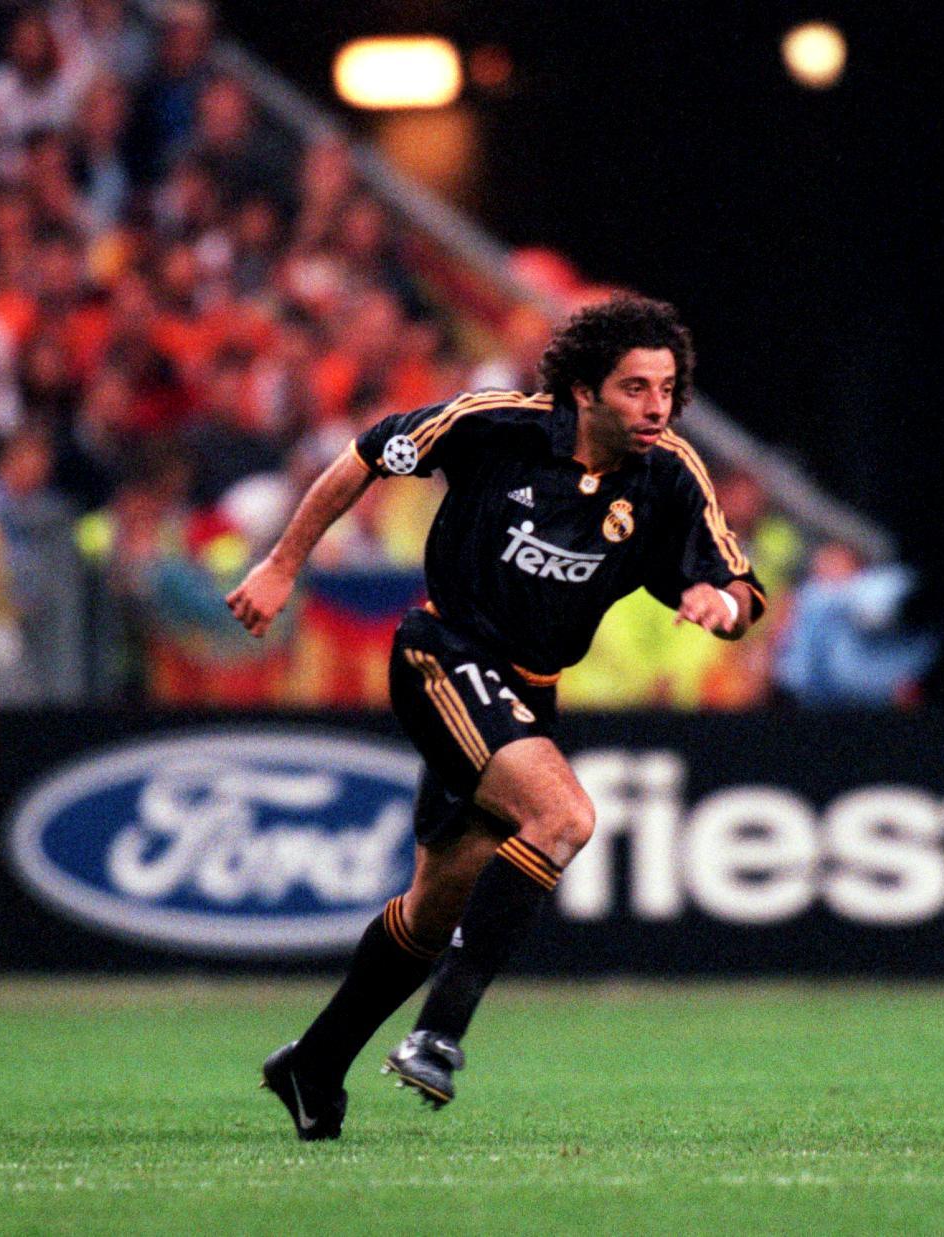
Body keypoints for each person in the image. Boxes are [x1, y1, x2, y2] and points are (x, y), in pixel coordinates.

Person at [226, 295, 763, 1140]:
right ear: (584, 391)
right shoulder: (495, 425)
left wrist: (718, 605)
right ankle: (439, 1033)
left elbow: (737, 583)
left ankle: (312, 1064)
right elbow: (364, 456)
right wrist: (282, 565)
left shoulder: (668, 475)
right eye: (634, 388)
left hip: (525, 689)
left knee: (433, 910)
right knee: (564, 815)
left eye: (666, 388)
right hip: (439, 651)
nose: (657, 406)